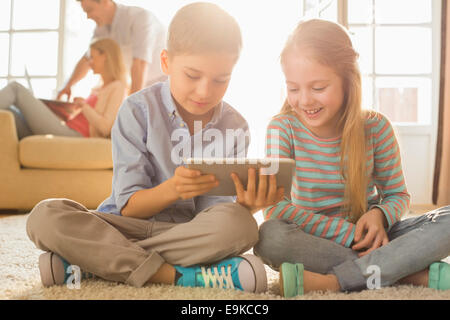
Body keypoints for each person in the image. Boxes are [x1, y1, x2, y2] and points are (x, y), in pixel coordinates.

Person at [26, 3, 283, 293]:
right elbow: (129, 208)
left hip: (186, 233)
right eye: (192, 75)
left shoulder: (236, 125)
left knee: (242, 226)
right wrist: (174, 188)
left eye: (220, 80)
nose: (204, 91)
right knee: (45, 216)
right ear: (165, 62)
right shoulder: (137, 110)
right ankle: (180, 276)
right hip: (122, 226)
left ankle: (94, 263)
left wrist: (248, 206)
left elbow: (216, 216)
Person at [253, 19, 450, 297]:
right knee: (268, 237)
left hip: (374, 237)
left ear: (348, 81)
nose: (305, 100)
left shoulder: (376, 127)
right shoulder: (282, 128)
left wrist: (379, 214)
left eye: (318, 87)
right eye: (294, 88)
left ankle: (333, 282)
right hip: (314, 238)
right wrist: (347, 234)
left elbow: (397, 195)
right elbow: (276, 208)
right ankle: (408, 273)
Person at [0, 38, 128, 139]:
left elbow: (105, 127)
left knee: (16, 89)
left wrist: (84, 106)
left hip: (75, 135)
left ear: (105, 56)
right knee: (10, 113)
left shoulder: (118, 87)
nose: (89, 63)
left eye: (92, 58)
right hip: (66, 127)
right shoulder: (98, 88)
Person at [58, 0, 166, 100]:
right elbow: (87, 59)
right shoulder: (101, 29)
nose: (88, 17)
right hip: (142, 86)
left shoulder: (139, 18)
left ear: (105, 2)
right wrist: (68, 86)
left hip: (164, 84)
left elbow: (140, 63)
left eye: (90, 10)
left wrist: (132, 105)